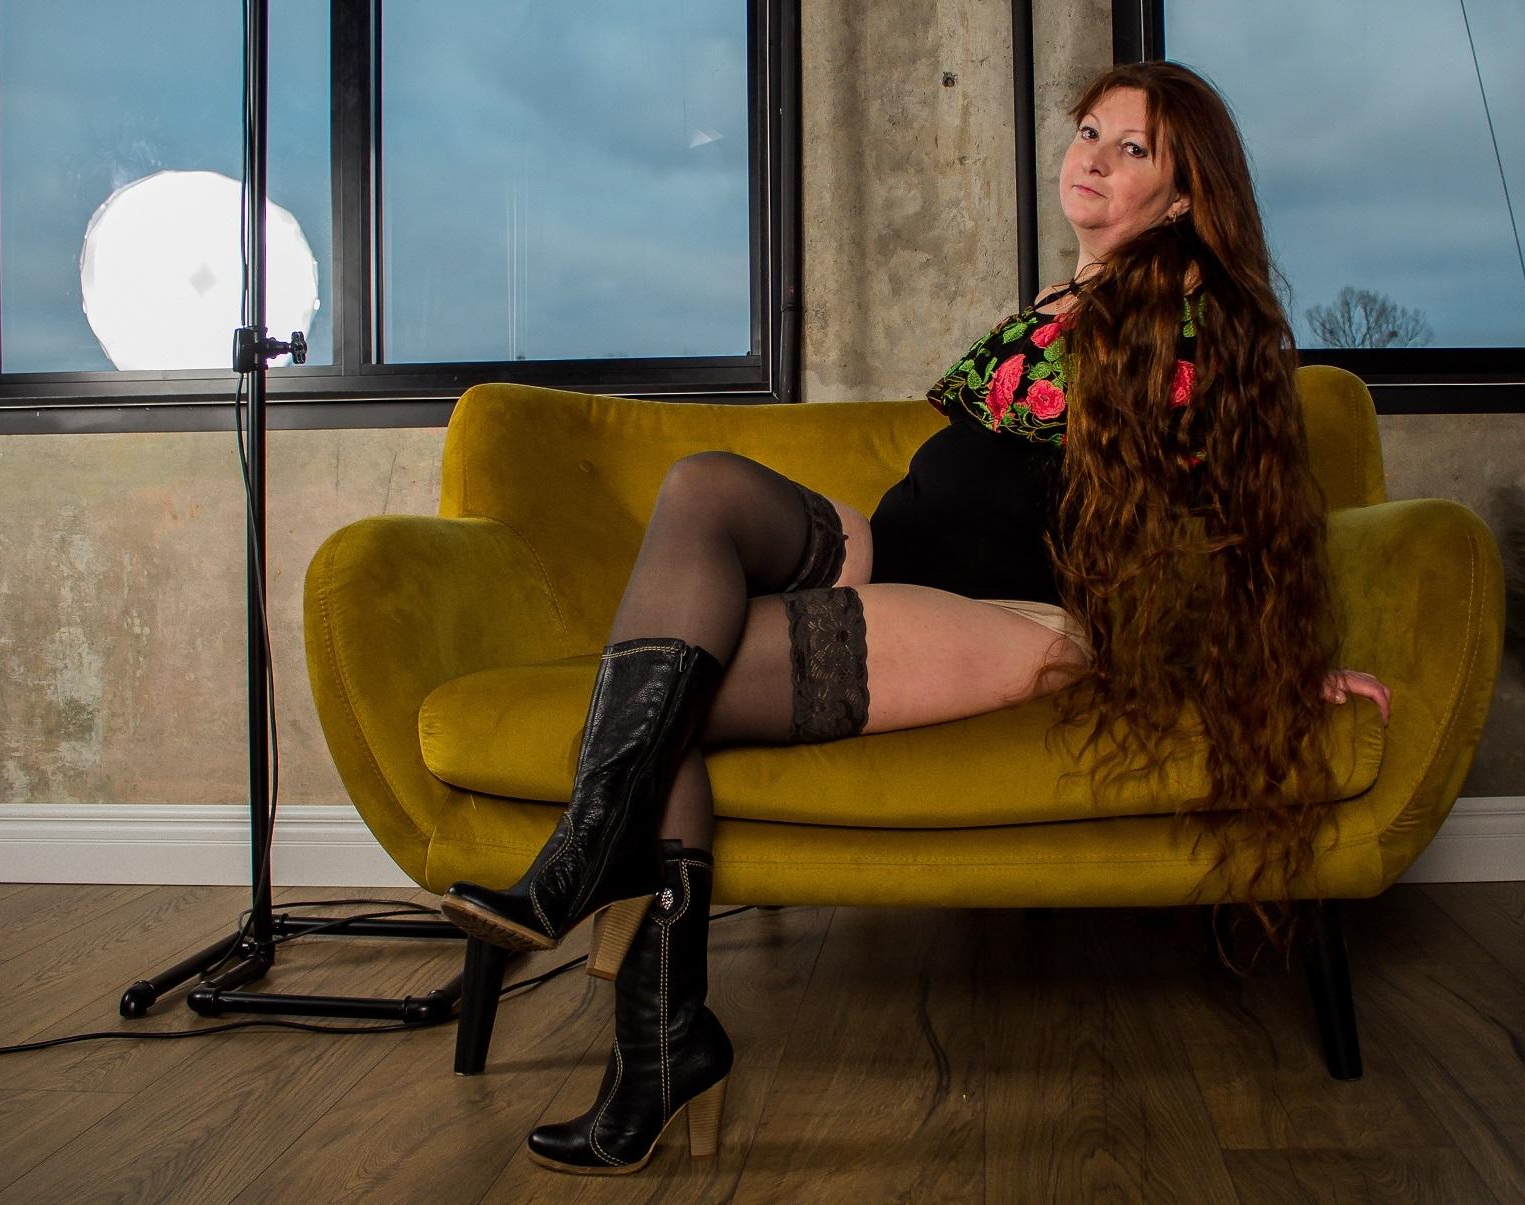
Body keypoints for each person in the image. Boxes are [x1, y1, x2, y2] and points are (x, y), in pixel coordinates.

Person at [439, 59, 1393, 1175]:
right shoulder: (1064, 301)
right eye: (1088, 130)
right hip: (894, 557)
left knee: (678, 688)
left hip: (1009, 613)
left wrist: (1283, 659)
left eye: (1131, 147)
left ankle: (641, 1015)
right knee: (702, 490)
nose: (1091, 157)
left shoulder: (1190, 316)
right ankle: (629, 952)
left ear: (1183, 196)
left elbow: (1236, 505)